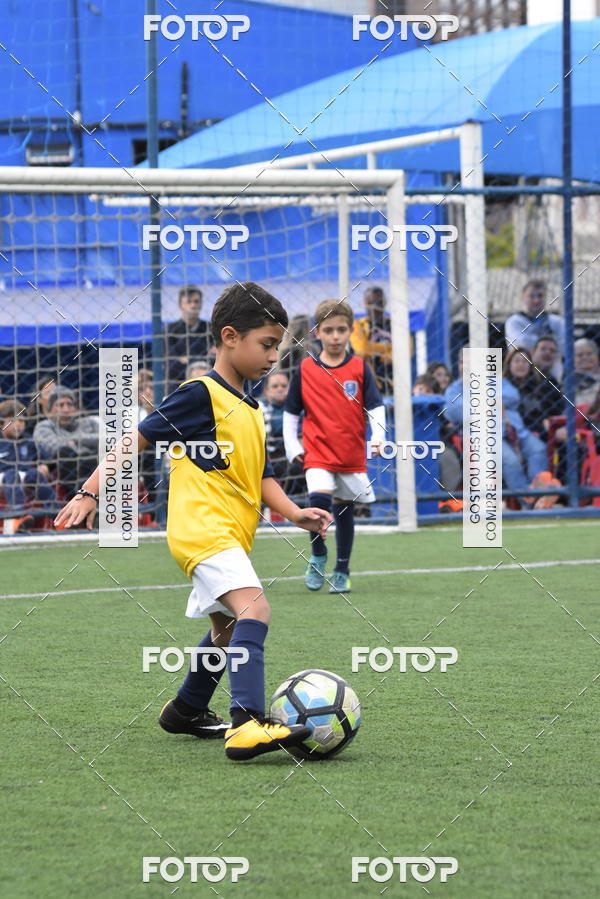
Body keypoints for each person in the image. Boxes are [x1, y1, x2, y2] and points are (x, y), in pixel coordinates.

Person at [54, 281, 331, 762]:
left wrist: (295, 513)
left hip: (228, 535)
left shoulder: (250, 406)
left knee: (226, 628)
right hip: (202, 530)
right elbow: (135, 440)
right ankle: (247, 723)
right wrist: (89, 490)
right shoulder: (199, 394)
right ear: (229, 336)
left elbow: (260, 475)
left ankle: (185, 709)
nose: (273, 357)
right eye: (266, 345)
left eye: (278, 347)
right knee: (254, 611)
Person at [283, 298, 386, 594]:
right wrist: (293, 446)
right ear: (317, 332)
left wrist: (379, 437)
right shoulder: (305, 369)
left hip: (350, 455)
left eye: (341, 330)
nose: (336, 336)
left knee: (344, 512)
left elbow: (376, 406)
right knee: (318, 505)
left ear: (351, 330)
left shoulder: (359, 368)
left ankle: (342, 569)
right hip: (317, 454)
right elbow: (291, 412)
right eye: (329, 330)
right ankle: (317, 556)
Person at [33, 387, 99, 499]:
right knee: (65, 452)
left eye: (70, 404)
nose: (66, 409)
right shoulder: (44, 426)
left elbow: (107, 439)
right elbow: (54, 447)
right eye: (60, 405)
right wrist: (88, 444)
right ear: (50, 410)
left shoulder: (90, 422)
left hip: (95, 462)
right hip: (67, 468)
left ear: (76, 408)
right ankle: (82, 498)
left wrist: (77, 440)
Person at [0, 398, 56, 526]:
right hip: (3, 479)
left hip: (22, 478)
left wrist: (45, 466)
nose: (18, 424)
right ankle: (17, 516)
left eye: (21, 421)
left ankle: (58, 516)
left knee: (34, 474)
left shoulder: (29, 442)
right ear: (1, 423)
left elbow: (49, 459)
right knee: (11, 474)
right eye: (12, 420)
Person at [504, 280, 564, 378]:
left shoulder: (556, 321)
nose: (536, 300)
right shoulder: (514, 322)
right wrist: (550, 345)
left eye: (540, 296)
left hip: (552, 372)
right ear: (523, 297)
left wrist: (537, 345)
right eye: (531, 296)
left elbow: (564, 345)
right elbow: (522, 344)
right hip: (523, 372)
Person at [165, 286, 213, 390]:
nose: (193, 305)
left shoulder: (211, 329)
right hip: (178, 385)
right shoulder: (169, 331)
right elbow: (172, 367)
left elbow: (217, 360)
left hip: (209, 382)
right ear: (180, 305)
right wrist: (202, 361)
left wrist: (187, 360)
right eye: (188, 302)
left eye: (196, 301)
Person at [350, 286, 394, 393]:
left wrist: (372, 350)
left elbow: (406, 350)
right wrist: (390, 349)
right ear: (365, 303)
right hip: (367, 383)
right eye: (370, 303)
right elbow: (361, 348)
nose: (374, 307)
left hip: (395, 380)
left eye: (378, 303)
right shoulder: (358, 325)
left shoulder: (395, 324)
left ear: (384, 303)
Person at [574, 338, 600, 406]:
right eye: (580, 355)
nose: (585, 357)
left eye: (589, 354)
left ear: (597, 356)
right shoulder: (570, 380)